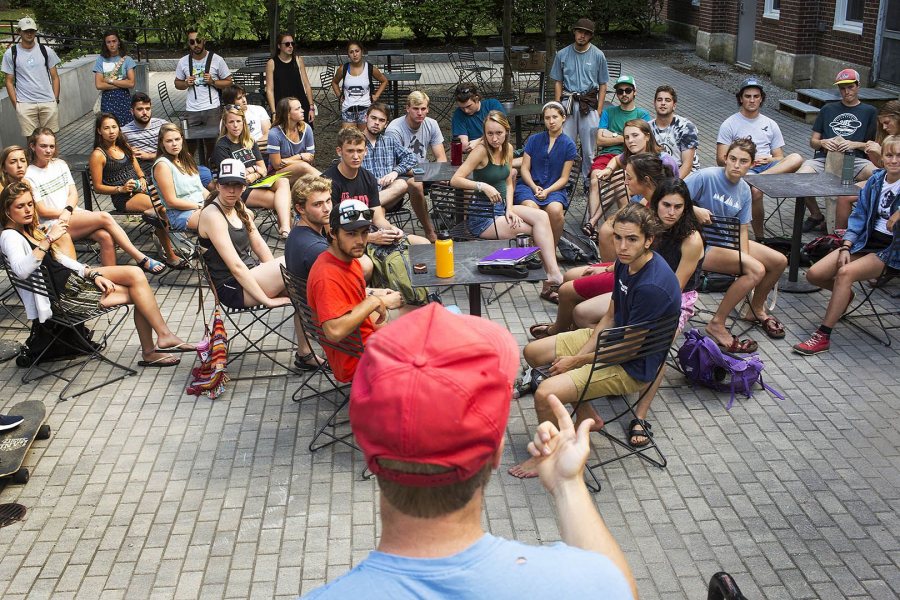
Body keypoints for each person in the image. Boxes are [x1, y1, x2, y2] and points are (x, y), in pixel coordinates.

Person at [303, 303, 637, 599]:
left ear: (366, 449)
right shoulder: (571, 585)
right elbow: (617, 586)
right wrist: (568, 486)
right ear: (496, 451)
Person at [510, 203, 682, 479]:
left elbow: (628, 349)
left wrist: (576, 361)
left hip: (631, 365)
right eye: (618, 237)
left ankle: (549, 455)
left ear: (649, 240)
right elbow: (611, 315)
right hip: (612, 342)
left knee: (545, 393)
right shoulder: (628, 263)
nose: (622, 246)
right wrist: (579, 354)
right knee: (533, 352)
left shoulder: (652, 285)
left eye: (632, 239)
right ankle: (588, 416)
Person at [0, 181, 195, 368]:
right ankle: (153, 348)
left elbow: (59, 259)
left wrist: (92, 274)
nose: (27, 210)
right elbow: (21, 270)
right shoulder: (9, 236)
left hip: (71, 281)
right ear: (7, 211)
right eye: (20, 206)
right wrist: (49, 238)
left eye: (30, 204)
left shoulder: (29, 230)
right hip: (65, 297)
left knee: (135, 274)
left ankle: (162, 337)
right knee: (140, 295)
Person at [197, 159, 325, 371]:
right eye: (226, 185)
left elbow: (260, 247)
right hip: (231, 287)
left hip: (251, 276)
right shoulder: (212, 214)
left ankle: (306, 352)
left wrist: (279, 277)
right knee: (291, 265)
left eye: (237, 185)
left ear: (244, 186)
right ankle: (327, 341)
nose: (231, 190)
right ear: (217, 185)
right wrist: (267, 299)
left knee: (304, 290)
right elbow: (236, 266)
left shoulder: (240, 208)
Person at [794, 135, 900, 356]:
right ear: (882, 158)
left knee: (845, 273)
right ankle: (845, 297)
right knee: (814, 274)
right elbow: (859, 215)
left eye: (899, 156)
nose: (894, 160)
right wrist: (846, 245)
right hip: (865, 241)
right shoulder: (876, 180)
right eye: (889, 155)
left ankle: (823, 335)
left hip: (892, 250)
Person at [686, 139, 788, 352]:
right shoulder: (707, 176)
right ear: (725, 158)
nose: (736, 165)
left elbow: (742, 229)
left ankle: (755, 310)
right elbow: (672, 195)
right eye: (732, 159)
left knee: (779, 261)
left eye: (743, 161)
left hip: (728, 241)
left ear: (751, 165)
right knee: (756, 270)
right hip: (702, 245)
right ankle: (717, 323)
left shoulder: (744, 190)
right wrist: (694, 210)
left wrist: (744, 256)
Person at [450, 110, 565, 301]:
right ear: (484, 133)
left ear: (506, 131)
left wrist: (510, 208)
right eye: (490, 134)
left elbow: (509, 182)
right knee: (536, 230)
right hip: (483, 216)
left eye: (499, 133)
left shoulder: (508, 149)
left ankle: (552, 274)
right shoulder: (480, 151)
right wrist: (482, 185)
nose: (494, 139)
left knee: (543, 218)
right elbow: (456, 179)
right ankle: (551, 277)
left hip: (502, 208)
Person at [26, 127, 165, 273]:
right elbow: (42, 210)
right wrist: (66, 213)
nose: (48, 150)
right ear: (32, 146)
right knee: (104, 216)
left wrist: (68, 211)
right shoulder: (29, 175)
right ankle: (140, 258)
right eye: (43, 146)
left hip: (72, 215)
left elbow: (73, 194)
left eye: (51, 146)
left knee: (105, 236)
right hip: (53, 224)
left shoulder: (60, 164)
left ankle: (111, 279)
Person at [306, 199, 404, 383]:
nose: (360, 241)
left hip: (368, 343)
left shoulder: (346, 260)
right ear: (333, 233)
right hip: (361, 361)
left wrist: (374, 295)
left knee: (430, 317)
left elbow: (350, 299)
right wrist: (374, 302)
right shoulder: (327, 275)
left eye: (364, 233)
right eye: (351, 234)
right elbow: (333, 332)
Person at [89, 113, 181, 267]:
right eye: (106, 128)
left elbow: (138, 171)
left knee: (173, 198)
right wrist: (121, 188)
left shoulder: (124, 145)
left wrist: (143, 179)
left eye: (114, 127)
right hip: (124, 197)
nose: (111, 131)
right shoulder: (98, 155)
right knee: (160, 209)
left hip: (141, 188)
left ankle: (167, 238)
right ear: (99, 131)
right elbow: (97, 187)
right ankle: (169, 254)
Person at [716, 77, 803, 238]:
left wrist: (769, 159)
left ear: (761, 99)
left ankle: (759, 179)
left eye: (756, 96)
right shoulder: (729, 124)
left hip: (767, 169)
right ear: (740, 99)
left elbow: (779, 157)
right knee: (756, 192)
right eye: (748, 96)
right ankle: (760, 237)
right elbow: (721, 159)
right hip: (744, 169)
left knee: (797, 157)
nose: (752, 100)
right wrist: (744, 161)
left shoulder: (770, 124)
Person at [796, 69, 878, 232]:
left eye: (850, 87)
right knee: (800, 178)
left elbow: (873, 144)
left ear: (858, 86)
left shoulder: (870, 111)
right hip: (824, 159)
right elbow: (813, 142)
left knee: (878, 177)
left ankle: (862, 220)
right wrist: (823, 142)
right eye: (842, 88)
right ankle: (816, 214)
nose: (846, 91)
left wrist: (855, 144)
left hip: (855, 160)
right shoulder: (828, 109)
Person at [324, 126, 426, 247]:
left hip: (368, 232)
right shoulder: (328, 182)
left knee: (423, 243)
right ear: (339, 151)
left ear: (366, 151)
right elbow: (331, 230)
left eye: (360, 151)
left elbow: (378, 218)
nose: (356, 156)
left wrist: (392, 229)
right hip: (343, 242)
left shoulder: (368, 178)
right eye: (350, 151)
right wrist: (370, 238)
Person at [210, 104, 292, 237]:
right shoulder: (222, 146)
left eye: (238, 121)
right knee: (282, 201)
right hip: (239, 188)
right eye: (231, 122)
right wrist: (255, 170)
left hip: (257, 180)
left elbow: (263, 169)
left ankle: (285, 228)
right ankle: (286, 231)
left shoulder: (249, 141)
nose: (235, 125)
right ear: (225, 124)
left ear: (243, 122)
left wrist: (252, 171)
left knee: (283, 181)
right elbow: (233, 177)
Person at [586, 120, 679, 236]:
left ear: (647, 136)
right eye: (626, 137)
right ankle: (594, 223)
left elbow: (663, 193)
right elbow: (616, 159)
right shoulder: (632, 156)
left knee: (609, 229)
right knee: (610, 179)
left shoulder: (664, 161)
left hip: (657, 206)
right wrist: (608, 170)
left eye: (635, 135)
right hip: (634, 200)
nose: (630, 141)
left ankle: (595, 222)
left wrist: (637, 205)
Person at [550, 18, 610, 183]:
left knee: (589, 147)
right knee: (565, 144)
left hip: (588, 103)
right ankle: (566, 180)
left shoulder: (598, 55)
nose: (582, 36)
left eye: (586, 33)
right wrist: (556, 107)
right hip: (567, 103)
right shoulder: (562, 54)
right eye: (579, 31)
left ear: (590, 36)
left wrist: (598, 109)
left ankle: (587, 179)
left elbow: (603, 84)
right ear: (574, 32)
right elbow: (558, 81)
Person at [514, 101, 578, 247]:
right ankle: (533, 249)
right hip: (529, 186)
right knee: (531, 209)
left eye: (554, 117)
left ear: (563, 118)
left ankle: (551, 248)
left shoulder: (569, 145)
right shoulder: (534, 140)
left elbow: (564, 178)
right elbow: (524, 168)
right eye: (547, 118)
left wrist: (548, 190)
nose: (551, 121)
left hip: (554, 188)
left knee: (555, 211)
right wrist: (533, 186)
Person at [386, 90, 446, 241]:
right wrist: (428, 173)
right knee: (416, 184)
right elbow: (397, 165)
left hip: (425, 170)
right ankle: (429, 230)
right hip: (400, 174)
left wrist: (441, 173)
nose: (420, 113)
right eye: (415, 109)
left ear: (428, 109)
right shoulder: (394, 130)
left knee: (456, 177)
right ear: (407, 108)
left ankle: (460, 222)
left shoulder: (432, 124)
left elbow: (441, 157)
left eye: (423, 109)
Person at [596, 153, 676, 260]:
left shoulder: (663, 208)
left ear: (646, 180)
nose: (625, 182)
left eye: (629, 178)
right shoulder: (647, 200)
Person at [174, 30, 232, 158]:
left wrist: (213, 81)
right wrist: (185, 83)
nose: (196, 44)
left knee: (212, 144)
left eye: (198, 41)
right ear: (188, 44)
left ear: (204, 41)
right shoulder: (183, 61)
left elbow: (228, 81)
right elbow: (177, 83)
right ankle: (190, 169)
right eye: (192, 42)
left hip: (212, 109)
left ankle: (211, 169)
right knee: (189, 145)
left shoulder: (217, 59)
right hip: (192, 109)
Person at [2, 17, 61, 136]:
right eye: (25, 31)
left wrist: (55, 99)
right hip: (25, 104)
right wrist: (17, 105)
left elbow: (55, 77)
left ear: (35, 31)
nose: (29, 33)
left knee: (50, 139)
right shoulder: (11, 53)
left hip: (48, 101)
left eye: (32, 31)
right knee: (31, 141)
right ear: (19, 32)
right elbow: (8, 81)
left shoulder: (46, 51)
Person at [361, 103, 418, 212]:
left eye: (381, 120)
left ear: (386, 124)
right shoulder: (355, 142)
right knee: (379, 209)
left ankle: (364, 209)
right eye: (373, 118)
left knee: (401, 184)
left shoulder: (389, 141)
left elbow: (411, 158)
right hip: (363, 193)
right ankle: (371, 210)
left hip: (388, 192)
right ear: (366, 118)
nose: (376, 123)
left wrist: (395, 172)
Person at [152, 123, 207, 232]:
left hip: (201, 208)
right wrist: (200, 206)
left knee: (242, 214)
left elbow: (201, 189)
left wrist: (216, 201)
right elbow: (171, 201)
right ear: (162, 143)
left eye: (177, 139)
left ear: (182, 139)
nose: (174, 144)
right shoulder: (163, 165)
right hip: (181, 214)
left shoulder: (187, 157)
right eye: (169, 141)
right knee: (218, 219)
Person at [592, 75, 652, 174]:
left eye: (628, 90)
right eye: (620, 91)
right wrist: (627, 138)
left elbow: (645, 142)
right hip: (608, 154)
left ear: (634, 91)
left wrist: (613, 135)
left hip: (633, 157)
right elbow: (599, 141)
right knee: (595, 177)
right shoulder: (608, 112)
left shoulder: (643, 115)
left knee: (622, 181)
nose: (624, 94)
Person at [331, 41, 387, 129]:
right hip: (348, 110)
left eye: (357, 51)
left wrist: (376, 95)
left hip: (365, 110)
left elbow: (384, 81)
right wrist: (339, 96)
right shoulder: (343, 69)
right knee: (348, 140)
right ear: (348, 55)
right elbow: (334, 82)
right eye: (351, 52)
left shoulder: (370, 68)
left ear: (362, 52)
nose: (354, 54)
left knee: (364, 139)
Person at [650, 85, 700, 179]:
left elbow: (687, 165)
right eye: (659, 100)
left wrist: (670, 187)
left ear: (674, 105)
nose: (663, 103)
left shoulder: (686, 127)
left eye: (667, 100)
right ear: (654, 103)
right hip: (660, 177)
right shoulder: (648, 128)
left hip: (686, 177)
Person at [267, 96, 319, 182]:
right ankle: (332, 186)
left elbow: (310, 158)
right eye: (297, 109)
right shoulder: (274, 133)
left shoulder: (306, 128)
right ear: (287, 114)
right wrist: (300, 157)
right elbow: (276, 165)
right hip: (275, 175)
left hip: (302, 170)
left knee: (306, 169)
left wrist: (286, 161)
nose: (302, 110)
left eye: (301, 107)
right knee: (304, 167)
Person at [266, 33, 315, 123]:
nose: (291, 46)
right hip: (282, 107)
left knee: (304, 133)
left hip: (300, 104)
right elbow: (269, 90)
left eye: (293, 43)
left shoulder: (298, 60)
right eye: (287, 44)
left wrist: (311, 107)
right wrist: (273, 112)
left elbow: (307, 85)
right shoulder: (272, 63)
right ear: (279, 46)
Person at [92, 31, 136, 126]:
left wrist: (111, 81)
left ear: (119, 42)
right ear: (105, 44)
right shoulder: (101, 60)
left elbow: (131, 83)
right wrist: (122, 83)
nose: (112, 44)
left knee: (126, 129)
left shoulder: (127, 60)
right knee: (109, 127)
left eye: (114, 41)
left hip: (124, 100)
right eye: (108, 42)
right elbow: (99, 85)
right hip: (107, 101)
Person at [451, 84, 504, 152]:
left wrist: (479, 141)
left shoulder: (492, 105)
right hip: (477, 154)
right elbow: (464, 146)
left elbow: (502, 132)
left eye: (468, 106)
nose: (466, 111)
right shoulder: (458, 114)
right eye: (462, 107)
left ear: (477, 99)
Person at [222, 85, 270, 155]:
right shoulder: (227, 118)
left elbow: (268, 133)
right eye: (239, 98)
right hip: (241, 153)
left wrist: (254, 147)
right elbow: (228, 141)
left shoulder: (259, 109)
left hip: (262, 149)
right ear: (231, 102)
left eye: (244, 96)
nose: (244, 100)